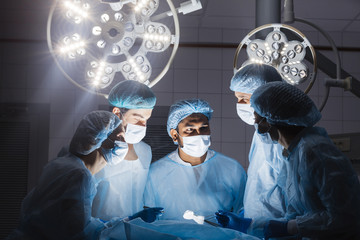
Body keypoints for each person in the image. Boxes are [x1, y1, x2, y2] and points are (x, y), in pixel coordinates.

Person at [6, 111, 162, 240]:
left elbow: (82, 223)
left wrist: (128, 220)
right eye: (121, 137)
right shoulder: (79, 176)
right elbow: (85, 234)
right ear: (103, 141)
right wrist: (128, 225)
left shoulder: (63, 164)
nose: (125, 143)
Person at [251, 82, 360, 239]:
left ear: (270, 119)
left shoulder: (315, 151)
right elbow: (295, 215)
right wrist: (250, 225)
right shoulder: (292, 155)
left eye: (257, 118)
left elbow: (345, 217)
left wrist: (291, 227)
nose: (256, 126)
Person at [144, 99, 247, 222]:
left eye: (203, 128)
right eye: (190, 129)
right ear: (174, 135)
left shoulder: (231, 168)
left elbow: (245, 211)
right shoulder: (155, 173)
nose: (198, 134)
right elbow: (149, 221)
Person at [216, 63, 286, 237]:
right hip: (259, 228)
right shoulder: (261, 135)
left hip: (276, 230)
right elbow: (260, 184)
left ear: (264, 97)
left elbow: (290, 199)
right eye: (237, 98)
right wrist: (245, 214)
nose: (239, 104)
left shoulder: (281, 140)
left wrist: (259, 224)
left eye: (244, 99)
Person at [92, 80, 157, 221]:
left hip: (135, 232)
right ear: (117, 112)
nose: (142, 125)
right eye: (137, 118)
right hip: (99, 233)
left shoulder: (145, 151)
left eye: (146, 120)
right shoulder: (94, 148)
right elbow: (77, 204)